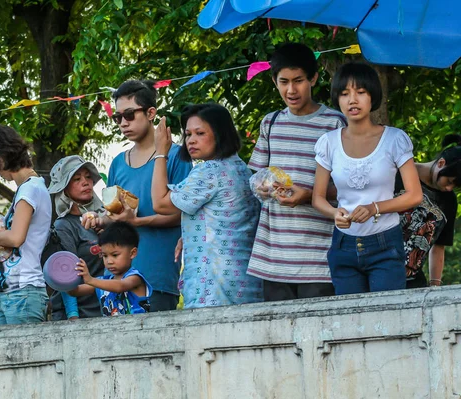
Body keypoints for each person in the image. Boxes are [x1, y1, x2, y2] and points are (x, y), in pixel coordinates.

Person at [246, 43, 347, 301]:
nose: (291, 90)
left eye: (299, 80)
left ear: (313, 78)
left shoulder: (334, 123)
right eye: (284, 82)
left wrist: (310, 195)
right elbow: (255, 176)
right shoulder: (270, 122)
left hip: (319, 258)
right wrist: (263, 187)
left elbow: (350, 185)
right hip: (273, 258)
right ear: (274, 81)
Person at [312, 62, 423, 295]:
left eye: (360, 92)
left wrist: (375, 208)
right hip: (343, 245)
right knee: (349, 323)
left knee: (389, 317)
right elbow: (318, 198)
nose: (353, 100)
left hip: (386, 245)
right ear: (337, 99)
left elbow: (415, 195)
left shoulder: (394, 139)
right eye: (345, 94)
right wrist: (335, 213)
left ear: (373, 96)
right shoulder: (328, 143)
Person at [83, 80, 192, 312]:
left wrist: (137, 221)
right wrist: (99, 220)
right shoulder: (117, 163)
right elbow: (114, 216)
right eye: (118, 117)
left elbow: (184, 214)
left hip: (156, 279)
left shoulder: (175, 156)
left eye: (130, 115)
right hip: (115, 282)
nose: (123, 123)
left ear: (151, 112)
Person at [151, 103, 263, 308]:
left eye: (200, 133)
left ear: (220, 134)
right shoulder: (241, 169)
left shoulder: (209, 171)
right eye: (187, 134)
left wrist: (160, 153)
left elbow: (160, 203)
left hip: (213, 288)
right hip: (245, 285)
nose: (191, 140)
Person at [0, 124, 52, 325]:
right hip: (9, 290)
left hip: (23, 291)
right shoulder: (29, 189)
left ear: (1, 158)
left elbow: (16, 237)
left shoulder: (29, 189)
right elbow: (23, 228)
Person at [397, 134, 460, 288]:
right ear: (441, 163)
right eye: (449, 181)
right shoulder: (401, 174)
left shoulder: (449, 200)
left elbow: (439, 246)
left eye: (455, 187)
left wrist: (434, 286)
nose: (449, 188)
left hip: (413, 280)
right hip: (380, 268)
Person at [47, 155, 105, 320]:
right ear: (63, 189)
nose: (85, 182)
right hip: (79, 315)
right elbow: (65, 274)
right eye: (76, 179)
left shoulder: (102, 220)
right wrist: (73, 316)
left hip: (104, 310)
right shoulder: (64, 226)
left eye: (88, 177)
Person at [68, 221, 152, 316]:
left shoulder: (135, 278)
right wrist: (65, 279)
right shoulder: (103, 281)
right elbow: (75, 291)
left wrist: (90, 279)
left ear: (132, 253)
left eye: (115, 255)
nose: (109, 261)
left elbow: (120, 286)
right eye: (105, 256)